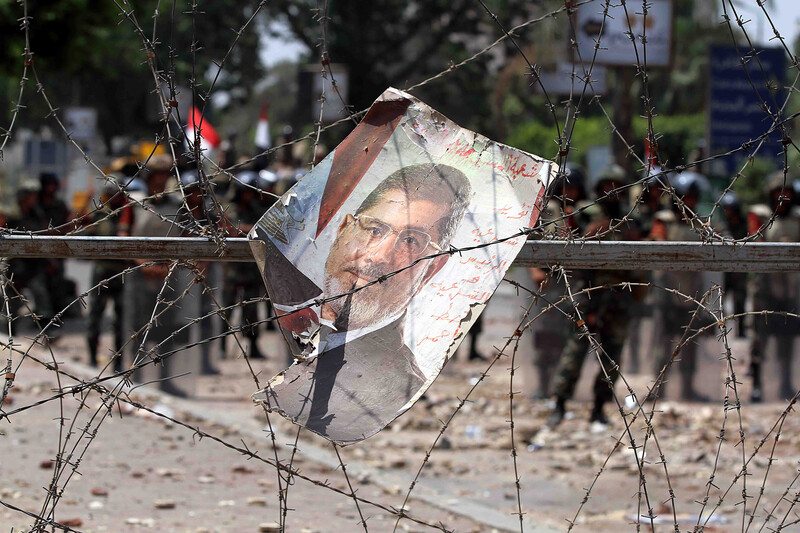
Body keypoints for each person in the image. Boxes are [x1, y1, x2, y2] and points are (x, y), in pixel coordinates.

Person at [255, 163, 472, 444]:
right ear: (342, 230)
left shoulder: (397, 386)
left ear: (432, 269)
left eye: (410, 240)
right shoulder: (295, 312)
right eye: (374, 229)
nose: (379, 256)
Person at [548, 163, 643, 427]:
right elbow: (575, 245)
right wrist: (598, 230)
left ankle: (599, 407)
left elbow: (642, 249)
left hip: (618, 292)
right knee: (575, 351)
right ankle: (559, 403)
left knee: (612, 356)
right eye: (606, 186)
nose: (611, 191)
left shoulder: (631, 216)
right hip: (588, 291)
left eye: (616, 187)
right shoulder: (586, 212)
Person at [649, 171, 714, 401]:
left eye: (693, 198)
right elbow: (657, 244)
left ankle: (687, 390)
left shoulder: (700, 224)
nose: (689, 202)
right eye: (685, 197)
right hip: (667, 290)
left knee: (689, 345)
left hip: (691, 291)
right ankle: (659, 390)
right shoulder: (663, 220)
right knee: (663, 344)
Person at [529, 163, 587, 398]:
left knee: (566, 336)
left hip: (571, 282)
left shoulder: (582, 212)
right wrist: (535, 270)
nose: (569, 193)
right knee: (545, 337)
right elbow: (531, 240)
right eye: (564, 188)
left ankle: (559, 387)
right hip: (548, 280)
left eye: (572, 189)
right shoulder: (547, 211)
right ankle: (543, 385)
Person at [749, 173, 800, 402]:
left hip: (791, 288)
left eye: (787, 193)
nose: (783, 197)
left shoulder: (797, 219)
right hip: (766, 288)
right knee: (760, 337)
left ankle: (786, 382)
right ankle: (757, 385)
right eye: (778, 193)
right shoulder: (762, 218)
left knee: (787, 339)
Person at [85, 177, 128, 369]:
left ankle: (118, 362)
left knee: (121, 319)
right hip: (102, 271)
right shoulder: (99, 214)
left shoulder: (128, 214)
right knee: (96, 316)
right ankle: (93, 358)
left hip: (122, 272)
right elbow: (84, 232)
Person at [720, 192, 748, 338]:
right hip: (725, 271)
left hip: (740, 270)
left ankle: (741, 330)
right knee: (720, 299)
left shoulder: (745, 226)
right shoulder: (723, 226)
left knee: (740, 301)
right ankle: (720, 329)